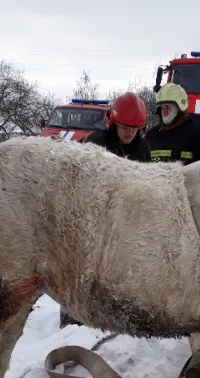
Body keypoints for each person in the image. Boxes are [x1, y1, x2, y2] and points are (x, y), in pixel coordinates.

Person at [58, 92, 151, 329]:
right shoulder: (95, 143)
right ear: (113, 123)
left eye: (135, 127)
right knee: (80, 271)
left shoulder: (142, 148)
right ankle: (72, 321)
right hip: (91, 218)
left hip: (124, 220)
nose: (129, 132)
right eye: (124, 127)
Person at [144, 83, 200, 165]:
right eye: (161, 107)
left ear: (180, 107)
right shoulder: (151, 135)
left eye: (167, 107)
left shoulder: (198, 135)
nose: (164, 111)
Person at [81, 92, 151, 161]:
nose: (130, 132)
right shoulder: (96, 142)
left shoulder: (143, 147)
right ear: (114, 125)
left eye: (134, 128)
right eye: (124, 127)